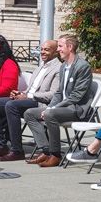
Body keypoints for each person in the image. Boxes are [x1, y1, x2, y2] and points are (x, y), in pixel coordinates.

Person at [0, 40, 61, 161]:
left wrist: (28, 96)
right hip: (28, 98)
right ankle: (0, 145)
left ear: (56, 52)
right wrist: (20, 93)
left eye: (47, 50)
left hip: (41, 102)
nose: (43, 52)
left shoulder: (58, 69)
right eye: (42, 49)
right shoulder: (40, 67)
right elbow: (30, 89)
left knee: (11, 105)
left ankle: (17, 150)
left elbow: (52, 95)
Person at [24, 34, 94, 167]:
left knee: (50, 114)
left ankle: (55, 154)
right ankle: (45, 150)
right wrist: (50, 106)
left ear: (70, 47)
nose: (58, 50)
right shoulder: (63, 67)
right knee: (29, 113)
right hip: (62, 107)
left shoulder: (82, 66)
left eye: (61, 46)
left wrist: (52, 109)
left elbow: (76, 96)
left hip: (76, 108)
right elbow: (58, 93)